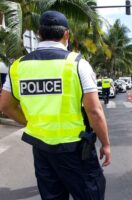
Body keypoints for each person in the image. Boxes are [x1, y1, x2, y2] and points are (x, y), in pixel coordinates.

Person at [0, 11, 111, 200]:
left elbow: (6, 106)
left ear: (39, 34)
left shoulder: (18, 66)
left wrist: (30, 122)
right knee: (90, 193)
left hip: (42, 150)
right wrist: (106, 144)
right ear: (66, 34)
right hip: (75, 149)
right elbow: (94, 111)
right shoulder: (77, 64)